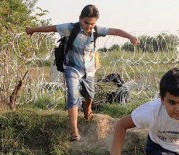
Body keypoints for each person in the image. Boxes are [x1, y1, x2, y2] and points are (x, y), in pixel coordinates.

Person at [25, 4, 139, 141]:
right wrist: (32, 30)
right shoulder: (70, 28)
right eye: (86, 22)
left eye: (92, 24)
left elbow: (115, 31)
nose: (89, 26)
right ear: (80, 19)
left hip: (89, 70)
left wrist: (130, 37)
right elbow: (51, 28)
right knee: (73, 95)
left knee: (90, 95)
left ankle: (88, 107)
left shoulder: (96, 31)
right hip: (72, 67)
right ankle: (74, 131)